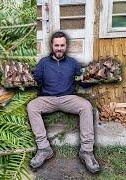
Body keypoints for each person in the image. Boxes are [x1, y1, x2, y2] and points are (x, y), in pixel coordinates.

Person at [27, 31, 100, 173]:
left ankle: (86, 151)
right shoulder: (43, 63)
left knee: (86, 106)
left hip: (68, 98)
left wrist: (91, 80)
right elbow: (37, 80)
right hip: (48, 99)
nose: (59, 48)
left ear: (66, 46)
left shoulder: (73, 63)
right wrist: (34, 80)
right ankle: (44, 148)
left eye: (62, 45)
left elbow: (83, 80)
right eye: (56, 45)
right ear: (52, 46)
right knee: (32, 106)